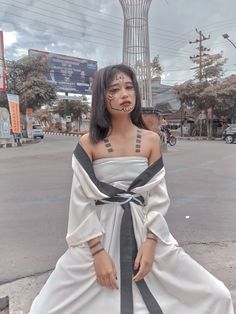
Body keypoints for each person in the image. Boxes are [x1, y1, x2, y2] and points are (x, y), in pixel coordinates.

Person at [29, 64, 234, 314]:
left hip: (145, 231)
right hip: (97, 237)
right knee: (45, 308)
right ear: (102, 98)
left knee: (215, 295)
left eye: (129, 87)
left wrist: (150, 243)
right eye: (114, 89)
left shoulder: (151, 140)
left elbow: (157, 198)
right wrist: (97, 253)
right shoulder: (88, 143)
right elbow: (81, 201)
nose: (124, 94)